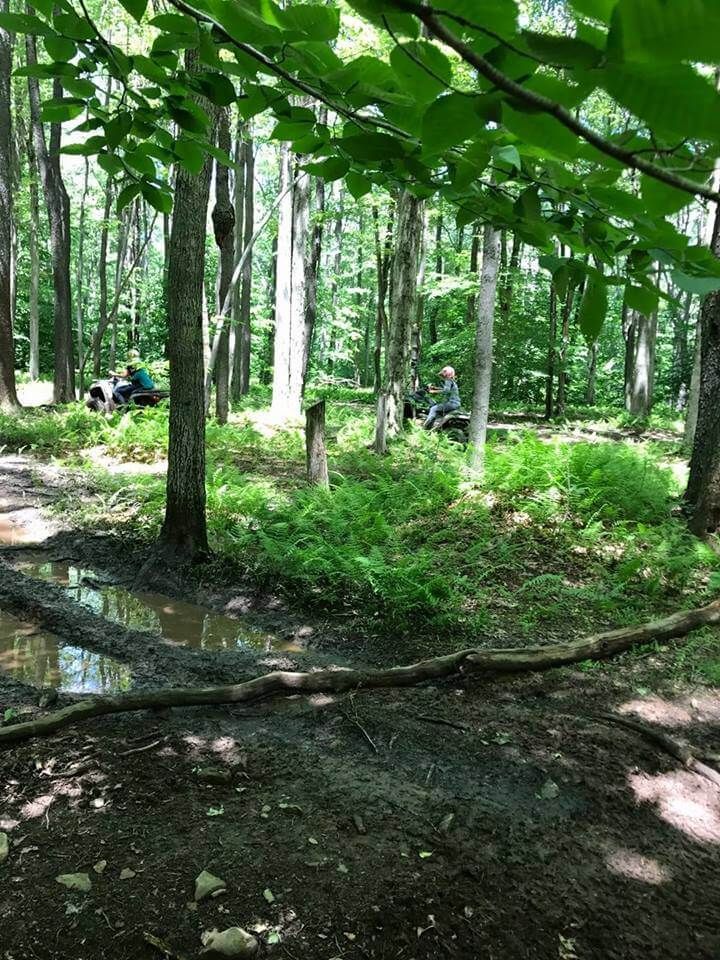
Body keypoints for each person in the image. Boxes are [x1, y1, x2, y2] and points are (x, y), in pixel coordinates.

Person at [423, 365, 461, 429]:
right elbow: (446, 389)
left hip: (451, 403)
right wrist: (434, 388)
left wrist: (433, 391)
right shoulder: (452, 381)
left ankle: (424, 427)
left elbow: (446, 391)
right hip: (455, 403)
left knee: (433, 408)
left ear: (447, 373)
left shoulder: (448, 380)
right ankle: (435, 425)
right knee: (436, 407)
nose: (442, 376)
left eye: (443, 374)